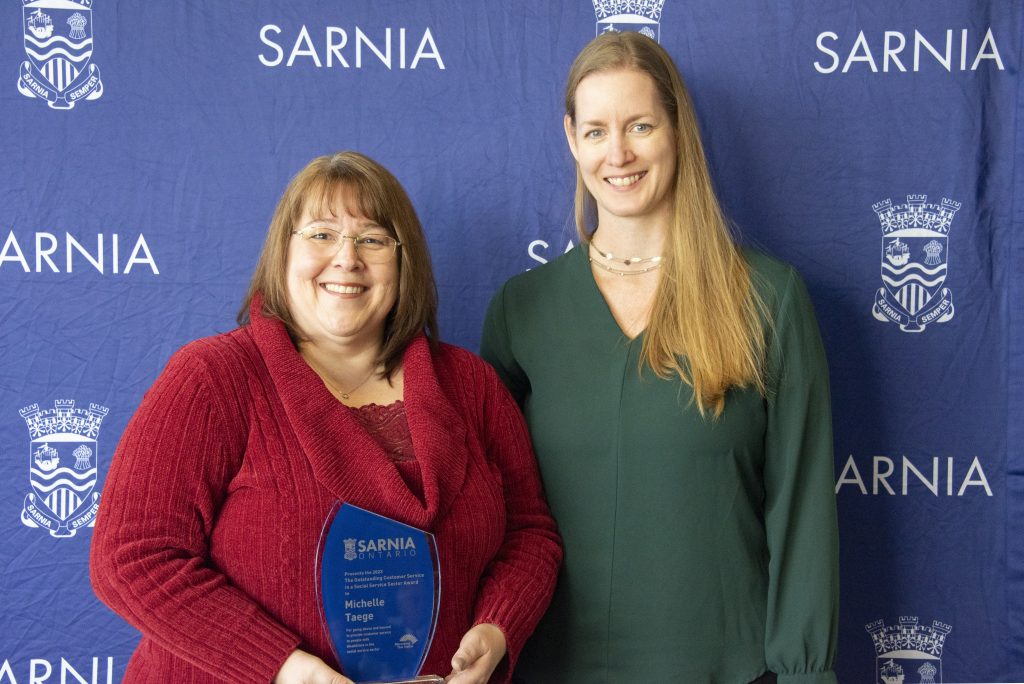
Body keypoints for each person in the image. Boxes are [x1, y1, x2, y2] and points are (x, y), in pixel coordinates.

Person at [91, 151, 561, 684]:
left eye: (373, 239)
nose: (347, 258)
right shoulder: (213, 378)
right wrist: (288, 670)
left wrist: (498, 628)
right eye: (320, 235)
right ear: (282, 253)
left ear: (403, 261)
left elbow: (530, 534)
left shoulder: (471, 385)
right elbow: (132, 559)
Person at [481, 32, 839, 683]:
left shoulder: (768, 298)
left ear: (676, 128)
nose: (617, 152)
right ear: (571, 138)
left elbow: (803, 512)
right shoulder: (520, 312)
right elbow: (492, 522)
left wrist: (806, 673)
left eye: (640, 125)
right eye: (595, 130)